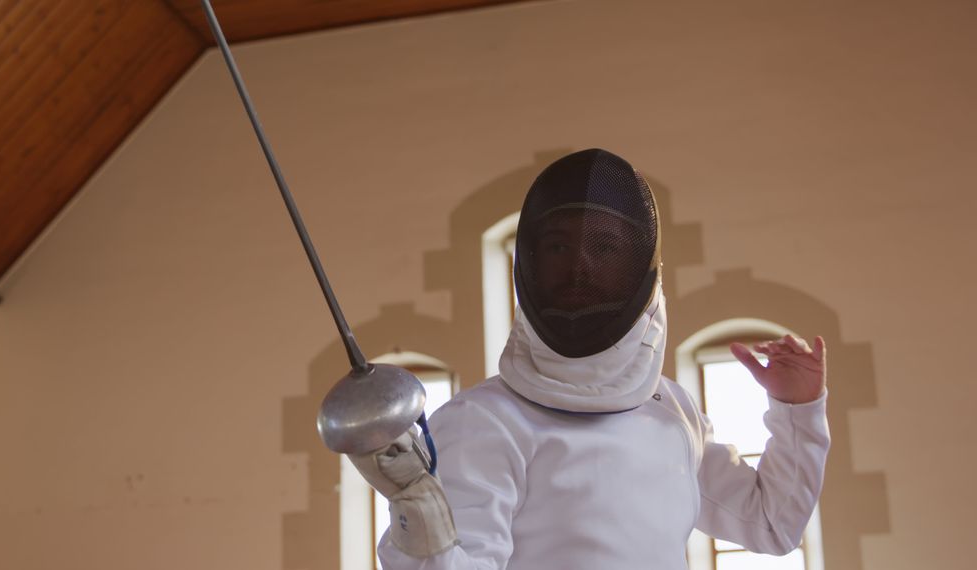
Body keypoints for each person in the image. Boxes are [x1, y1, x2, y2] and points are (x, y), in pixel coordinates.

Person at [350, 149, 830, 569]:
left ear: (642, 267)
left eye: (604, 247)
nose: (579, 264)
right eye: (560, 246)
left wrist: (798, 411)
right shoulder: (483, 423)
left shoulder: (672, 409)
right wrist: (420, 518)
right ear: (531, 260)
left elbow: (771, 525)